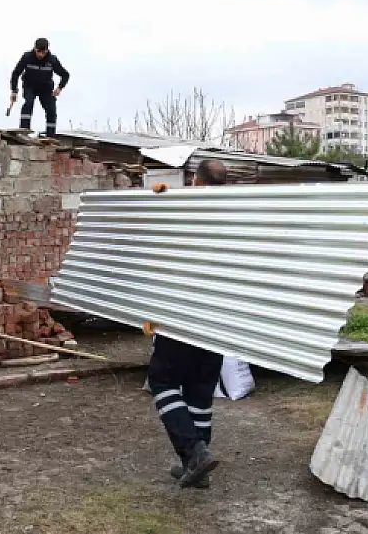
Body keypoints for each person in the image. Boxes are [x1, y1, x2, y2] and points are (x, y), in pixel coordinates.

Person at [148, 159, 228, 489]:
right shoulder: (237, 215)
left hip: (184, 315)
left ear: (196, 180)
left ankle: (194, 452)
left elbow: (160, 249)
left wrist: (159, 199)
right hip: (219, 320)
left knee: (162, 380)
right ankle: (196, 467)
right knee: (199, 392)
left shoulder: (187, 212)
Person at [10, 38, 70, 137]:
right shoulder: (27, 57)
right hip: (30, 86)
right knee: (28, 103)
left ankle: (50, 135)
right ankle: (24, 130)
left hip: (45, 88)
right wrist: (14, 90)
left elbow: (65, 74)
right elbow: (16, 73)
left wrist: (59, 88)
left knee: (51, 109)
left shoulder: (52, 60)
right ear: (35, 49)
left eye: (43, 52)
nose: (40, 55)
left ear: (47, 50)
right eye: (38, 52)